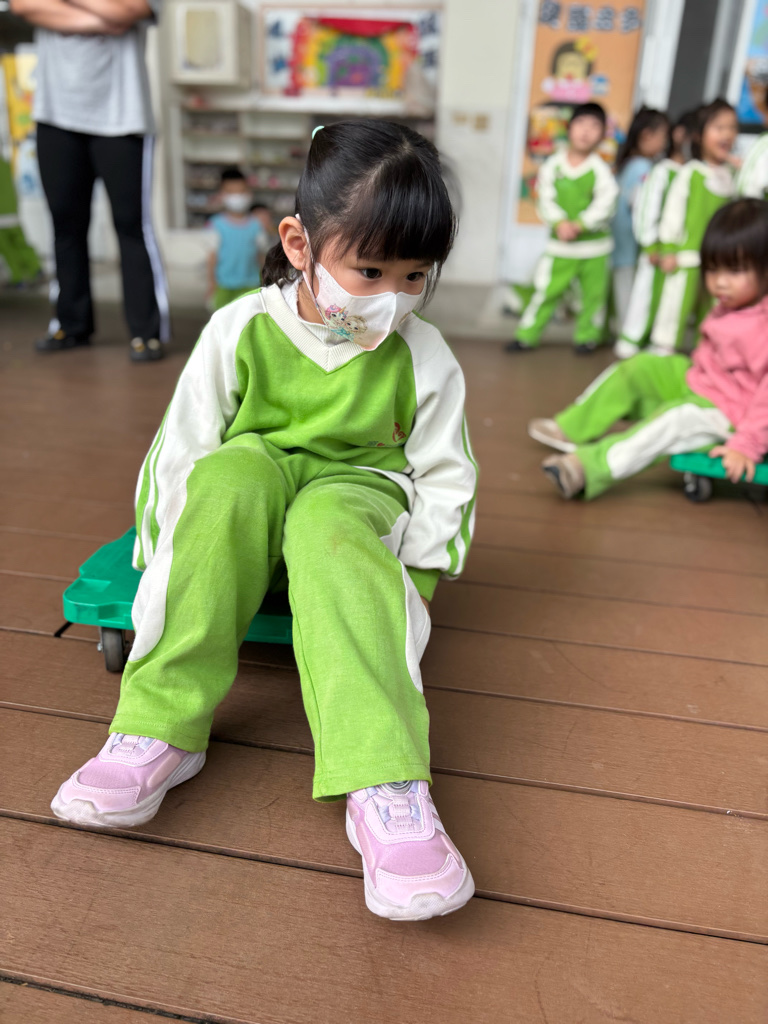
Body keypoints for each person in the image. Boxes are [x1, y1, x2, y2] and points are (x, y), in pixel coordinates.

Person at [50, 120, 479, 922]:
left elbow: (448, 474)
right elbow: (181, 447)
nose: (391, 297)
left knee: (327, 524)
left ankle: (384, 776)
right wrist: (168, 553)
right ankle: (157, 727)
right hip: (258, 469)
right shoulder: (239, 327)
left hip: (360, 489)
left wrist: (415, 578)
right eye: (370, 270)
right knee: (226, 478)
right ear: (298, 243)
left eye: (414, 276)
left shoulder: (423, 355)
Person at [527, 199, 768, 500]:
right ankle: (572, 427)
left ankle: (586, 468)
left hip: (734, 414)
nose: (720, 282)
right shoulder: (735, 303)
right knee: (640, 366)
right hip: (703, 382)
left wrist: (747, 444)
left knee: (676, 419)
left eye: (735, 270)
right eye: (712, 268)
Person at [10, 0, 169, 362]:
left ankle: (146, 333)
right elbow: (23, 5)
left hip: (123, 117)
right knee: (65, 225)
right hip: (55, 115)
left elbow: (129, 11)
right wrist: (103, 18)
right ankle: (71, 325)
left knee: (132, 226)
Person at [507, 102, 619, 354]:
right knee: (546, 291)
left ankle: (588, 338)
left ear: (602, 135)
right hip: (561, 247)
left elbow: (607, 202)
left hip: (595, 249)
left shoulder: (601, 170)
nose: (586, 131)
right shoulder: (553, 166)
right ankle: (526, 336)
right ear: (569, 128)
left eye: (594, 126)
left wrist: (581, 224)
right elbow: (544, 198)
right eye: (581, 124)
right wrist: (560, 223)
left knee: (594, 297)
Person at [647, 99, 738, 356]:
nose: (727, 134)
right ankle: (662, 350)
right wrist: (668, 247)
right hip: (686, 257)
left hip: (719, 261)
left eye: (732, 128)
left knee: (712, 309)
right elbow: (673, 213)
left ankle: (705, 354)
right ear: (699, 135)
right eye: (719, 127)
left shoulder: (732, 176)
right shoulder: (691, 172)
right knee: (675, 305)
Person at [614, 109, 699, 359]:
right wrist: (651, 244)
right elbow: (640, 206)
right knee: (638, 297)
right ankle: (629, 338)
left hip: (656, 250)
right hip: (642, 248)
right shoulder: (654, 170)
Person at [610, 107, 669, 332]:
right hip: (629, 242)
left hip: (619, 241)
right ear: (647, 135)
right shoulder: (643, 167)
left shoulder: (627, 163)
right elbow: (640, 205)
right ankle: (628, 334)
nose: (664, 143)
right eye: (662, 136)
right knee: (629, 293)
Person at [205, 167, 267, 311]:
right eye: (231, 192)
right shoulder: (215, 225)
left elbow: (261, 256)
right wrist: (211, 284)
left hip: (250, 284)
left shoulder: (256, 225)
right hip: (223, 285)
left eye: (241, 191)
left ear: (249, 193)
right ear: (221, 194)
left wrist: (265, 281)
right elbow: (212, 257)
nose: (237, 196)